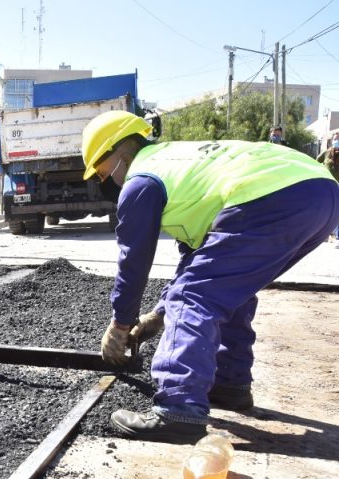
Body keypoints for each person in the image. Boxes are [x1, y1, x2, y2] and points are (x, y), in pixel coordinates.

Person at [81, 110, 339, 444]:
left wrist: (119, 324)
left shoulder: (141, 180)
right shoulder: (179, 164)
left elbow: (133, 263)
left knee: (193, 297)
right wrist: (156, 317)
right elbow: (198, 262)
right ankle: (229, 385)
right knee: (230, 289)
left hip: (276, 196)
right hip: (321, 195)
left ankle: (178, 407)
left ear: (122, 155)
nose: (108, 183)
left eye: (104, 174)